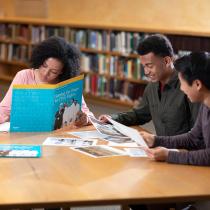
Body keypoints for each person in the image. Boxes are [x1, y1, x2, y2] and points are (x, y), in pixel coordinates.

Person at [141, 52, 210, 210]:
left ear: (197, 84)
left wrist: (170, 155)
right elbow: (193, 138)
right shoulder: (206, 104)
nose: (181, 88)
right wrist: (156, 140)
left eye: (182, 83)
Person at [99, 34, 199, 136]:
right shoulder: (152, 86)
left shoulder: (189, 87)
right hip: (161, 148)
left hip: (183, 150)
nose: (146, 72)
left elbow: (199, 133)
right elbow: (139, 114)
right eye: (144, 66)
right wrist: (113, 119)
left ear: (167, 61)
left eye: (149, 66)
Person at [0, 36, 92, 127]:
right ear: (40, 59)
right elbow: (4, 109)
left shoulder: (67, 84)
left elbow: (86, 112)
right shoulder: (23, 76)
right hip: (26, 134)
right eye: (44, 65)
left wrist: (86, 118)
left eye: (53, 72)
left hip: (58, 135)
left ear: (62, 72)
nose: (45, 73)